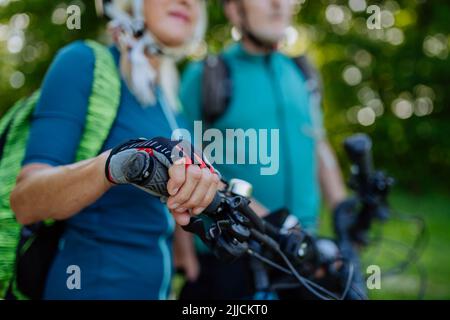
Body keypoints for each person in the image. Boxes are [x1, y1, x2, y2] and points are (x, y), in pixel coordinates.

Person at [9, 0, 220, 300]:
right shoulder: (83, 62)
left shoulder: (170, 103)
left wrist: (185, 251)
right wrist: (113, 166)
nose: (186, 2)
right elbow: (25, 201)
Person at [177, 0, 350, 299]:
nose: (277, 4)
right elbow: (178, 161)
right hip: (229, 255)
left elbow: (319, 147)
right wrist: (184, 253)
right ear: (233, 10)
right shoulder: (207, 75)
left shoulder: (302, 73)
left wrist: (344, 216)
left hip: (305, 254)